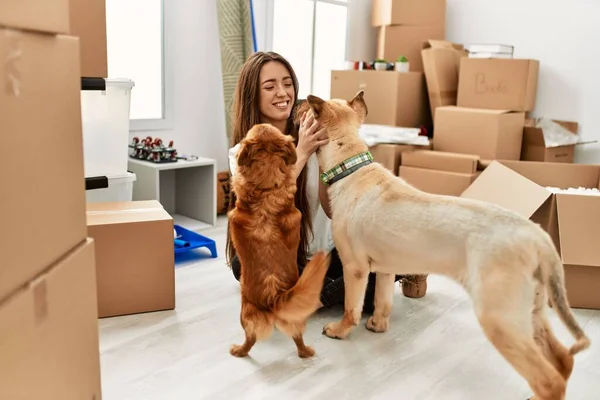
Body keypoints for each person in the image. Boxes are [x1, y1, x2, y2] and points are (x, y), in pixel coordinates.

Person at [225, 51, 406, 313]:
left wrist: (326, 154)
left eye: (287, 83)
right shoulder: (244, 152)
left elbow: (334, 210)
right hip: (287, 257)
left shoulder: (313, 131)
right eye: (270, 86)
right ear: (253, 95)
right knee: (244, 263)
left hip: (328, 253)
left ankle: (314, 298)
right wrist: (302, 152)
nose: (282, 92)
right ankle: (330, 293)